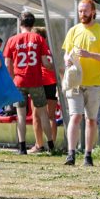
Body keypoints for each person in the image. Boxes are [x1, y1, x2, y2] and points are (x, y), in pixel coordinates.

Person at [62, 0, 100, 166]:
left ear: (93, 11)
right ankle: (71, 154)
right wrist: (67, 60)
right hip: (75, 83)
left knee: (91, 119)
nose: (82, 13)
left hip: (94, 83)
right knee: (75, 116)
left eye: (85, 10)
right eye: (80, 11)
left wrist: (89, 55)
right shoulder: (73, 31)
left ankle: (88, 155)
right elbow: (66, 54)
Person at [3, 11, 53, 155]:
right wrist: (55, 67)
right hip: (36, 81)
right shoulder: (38, 38)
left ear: (20, 23)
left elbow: (7, 64)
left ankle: (22, 147)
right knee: (43, 114)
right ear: (33, 23)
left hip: (19, 82)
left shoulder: (12, 40)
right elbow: (45, 63)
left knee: (21, 115)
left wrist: (12, 79)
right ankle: (51, 146)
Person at [31, 26, 59, 154]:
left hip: (39, 82)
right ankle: (52, 146)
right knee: (51, 116)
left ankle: (39, 145)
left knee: (36, 115)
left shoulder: (37, 48)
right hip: (51, 82)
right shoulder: (51, 48)